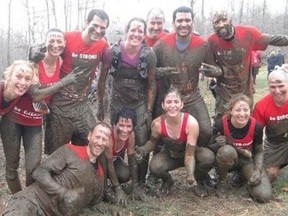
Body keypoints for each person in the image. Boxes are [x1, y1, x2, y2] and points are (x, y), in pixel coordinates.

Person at [0, 28, 78, 194]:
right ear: (45, 41)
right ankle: (18, 198)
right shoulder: (35, 62)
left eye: (59, 41)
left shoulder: (62, 63)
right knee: (12, 168)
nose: (55, 45)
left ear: (64, 44)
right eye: (51, 40)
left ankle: (30, 199)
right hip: (13, 119)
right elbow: (35, 95)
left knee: (33, 169)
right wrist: (63, 82)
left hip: (35, 122)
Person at [2, 122, 118, 216]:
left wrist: (113, 208)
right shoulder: (70, 151)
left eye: (104, 139)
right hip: (34, 201)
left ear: (108, 143)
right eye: (97, 137)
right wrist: (61, 192)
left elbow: (94, 204)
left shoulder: (100, 175)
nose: (100, 142)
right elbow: (39, 172)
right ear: (89, 136)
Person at [97, 17, 157, 185]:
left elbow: (152, 83)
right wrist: (101, 106)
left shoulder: (149, 54)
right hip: (117, 100)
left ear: (144, 34)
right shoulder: (112, 51)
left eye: (140, 31)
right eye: (133, 30)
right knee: (118, 136)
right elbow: (101, 81)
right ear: (126, 31)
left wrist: (148, 111)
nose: (136, 34)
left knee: (142, 137)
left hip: (139, 101)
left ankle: (141, 182)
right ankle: (119, 173)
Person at [43, 9, 111, 154]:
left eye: (103, 28)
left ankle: (85, 174)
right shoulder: (67, 37)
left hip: (82, 105)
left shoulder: (103, 45)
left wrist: (100, 104)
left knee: (92, 145)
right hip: (60, 105)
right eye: (95, 25)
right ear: (86, 23)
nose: (98, 30)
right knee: (56, 152)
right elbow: (47, 54)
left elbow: (102, 80)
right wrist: (35, 53)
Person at [153, 6, 221, 149]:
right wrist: (161, 71)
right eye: (180, 20)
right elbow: (150, 71)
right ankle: (166, 157)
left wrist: (213, 71)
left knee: (206, 130)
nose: (184, 24)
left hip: (193, 95)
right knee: (158, 132)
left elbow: (216, 69)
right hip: (169, 97)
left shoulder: (202, 45)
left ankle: (196, 153)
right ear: (173, 23)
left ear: (193, 22)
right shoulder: (162, 45)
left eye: (187, 20)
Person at [208, 10, 288, 121]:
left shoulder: (247, 33)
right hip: (224, 90)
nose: (221, 24)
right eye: (217, 22)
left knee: (245, 119)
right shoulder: (212, 41)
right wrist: (215, 71)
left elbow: (273, 39)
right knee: (222, 122)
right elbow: (206, 59)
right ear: (213, 25)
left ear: (230, 20)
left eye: (224, 20)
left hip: (244, 87)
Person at [136, 87, 215, 197]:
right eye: (168, 102)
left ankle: (197, 180)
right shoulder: (157, 124)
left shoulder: (191, 123)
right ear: (163, 105)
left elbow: (190, 154)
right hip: (171, 155)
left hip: (191, 153)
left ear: (182, 104)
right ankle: (168, 181)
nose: (172, 105)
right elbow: (152, 143)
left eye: (176, 102)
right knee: (155, 166)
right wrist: (143, 149)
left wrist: (190, 175)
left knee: (208, 157)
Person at [211, 93, 272, 203]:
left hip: (246, 161)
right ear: (230, 111)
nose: (242, 114)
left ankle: (244, 177)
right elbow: (207, 145)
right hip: (228, 159)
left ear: (250, 111)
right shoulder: (220, 124)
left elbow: (258, 150)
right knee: (226, 151)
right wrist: (217, 142)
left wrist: (257, 170)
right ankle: (222, 182)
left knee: (264, 196)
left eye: (245, 110)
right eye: (237, 110)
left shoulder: (256, 126)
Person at [104, 108, 146, 206]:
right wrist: (117, 188)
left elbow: (131, 159)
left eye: (129, 126)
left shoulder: (131, 135)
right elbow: (109, 164)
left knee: (125, 174)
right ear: (114, 125)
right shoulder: (110, 137)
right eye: (121, 125)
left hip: (114, 160)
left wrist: (135, 185)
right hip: (100, 162)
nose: (125, 130)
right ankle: (105, 187)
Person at [252, 66, 288, 182]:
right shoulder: (261, 106)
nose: (277, 91)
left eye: (281, 86)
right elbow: (254, 135)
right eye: (273, 87)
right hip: (275, 144)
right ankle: (277, 164)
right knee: (269, 175)